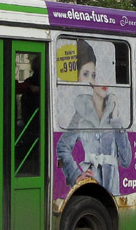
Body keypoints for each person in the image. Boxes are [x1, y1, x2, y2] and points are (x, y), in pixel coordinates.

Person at [56, 39, 131, 195]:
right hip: (89, 187)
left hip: (112, 192)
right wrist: (76, 175)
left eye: (106, 78)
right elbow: (62, 147)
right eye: (98, 76)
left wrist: (116, 118)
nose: (104, 83)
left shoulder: (115, 114)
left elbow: (126, 160)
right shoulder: (81, 113)